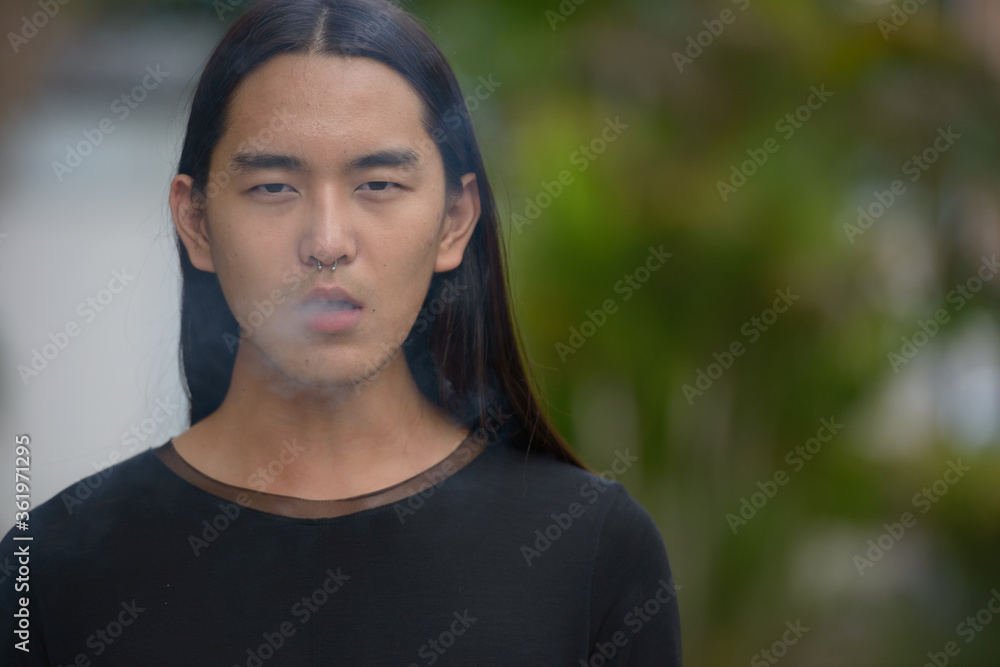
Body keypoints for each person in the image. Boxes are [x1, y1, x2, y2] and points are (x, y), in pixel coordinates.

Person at [1, 0, 681, 664]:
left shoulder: (590, 553)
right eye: (273, 186)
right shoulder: (48, 569)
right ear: (197, 221)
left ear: (454, 219)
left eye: (379, 183)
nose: (326, 241)